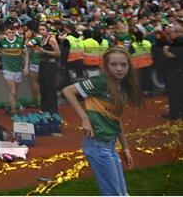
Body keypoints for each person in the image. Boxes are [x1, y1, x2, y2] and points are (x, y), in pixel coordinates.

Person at [62, 47, 144, 196]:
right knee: (114, 194)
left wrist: (125, 148)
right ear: (106, 66)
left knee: (122, 193)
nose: (119, 69)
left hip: (109, 145)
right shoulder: (100, 82)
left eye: (123, 65)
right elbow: (68, 91)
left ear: (129, 66)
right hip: (97, 145)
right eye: (113, 64)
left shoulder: (121, 86)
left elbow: (116, 119)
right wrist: (85, 118)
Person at [0, 22, 29, 114]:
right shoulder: (1, 41)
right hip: (7, 69)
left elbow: (26, 54)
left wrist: (26, 67)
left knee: (13, 92)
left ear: (15, 32)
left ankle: (9, 106)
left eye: (13, 33)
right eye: (9, 32)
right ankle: (14, 111)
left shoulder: (20, 40)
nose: (11, 34)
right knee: (13, 91)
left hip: (18, 69)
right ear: (6, 32)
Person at [37, 22, 61, 113]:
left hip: (50, 65)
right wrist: (39, 52)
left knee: (50, 87)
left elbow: (58, 53)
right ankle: (44, 107)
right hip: (42, 64)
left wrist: (45, 52)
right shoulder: (41, 39)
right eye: (40, 30)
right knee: (43, 86)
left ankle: (53, 110)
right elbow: (42, 52)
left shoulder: (51, 40)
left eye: (43, 29)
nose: (41, 31)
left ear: (47, 30)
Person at [162, 25, 183, 120]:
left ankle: (174, 114)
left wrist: (165, 49)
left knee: (173, 92)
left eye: (170, 33)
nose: (168, 36)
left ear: (177, 32)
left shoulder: (179, 41)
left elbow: (171, 55)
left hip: (175, 71)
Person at [131, 30, 154, 95]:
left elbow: (130, 54)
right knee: (148, 77)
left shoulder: (133, 44)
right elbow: (152, 51)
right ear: (143, 36)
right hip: (149, 62)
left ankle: (144, 91)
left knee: (141, 78)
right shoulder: (147, 42)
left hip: (139, 64)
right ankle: (149, 90)